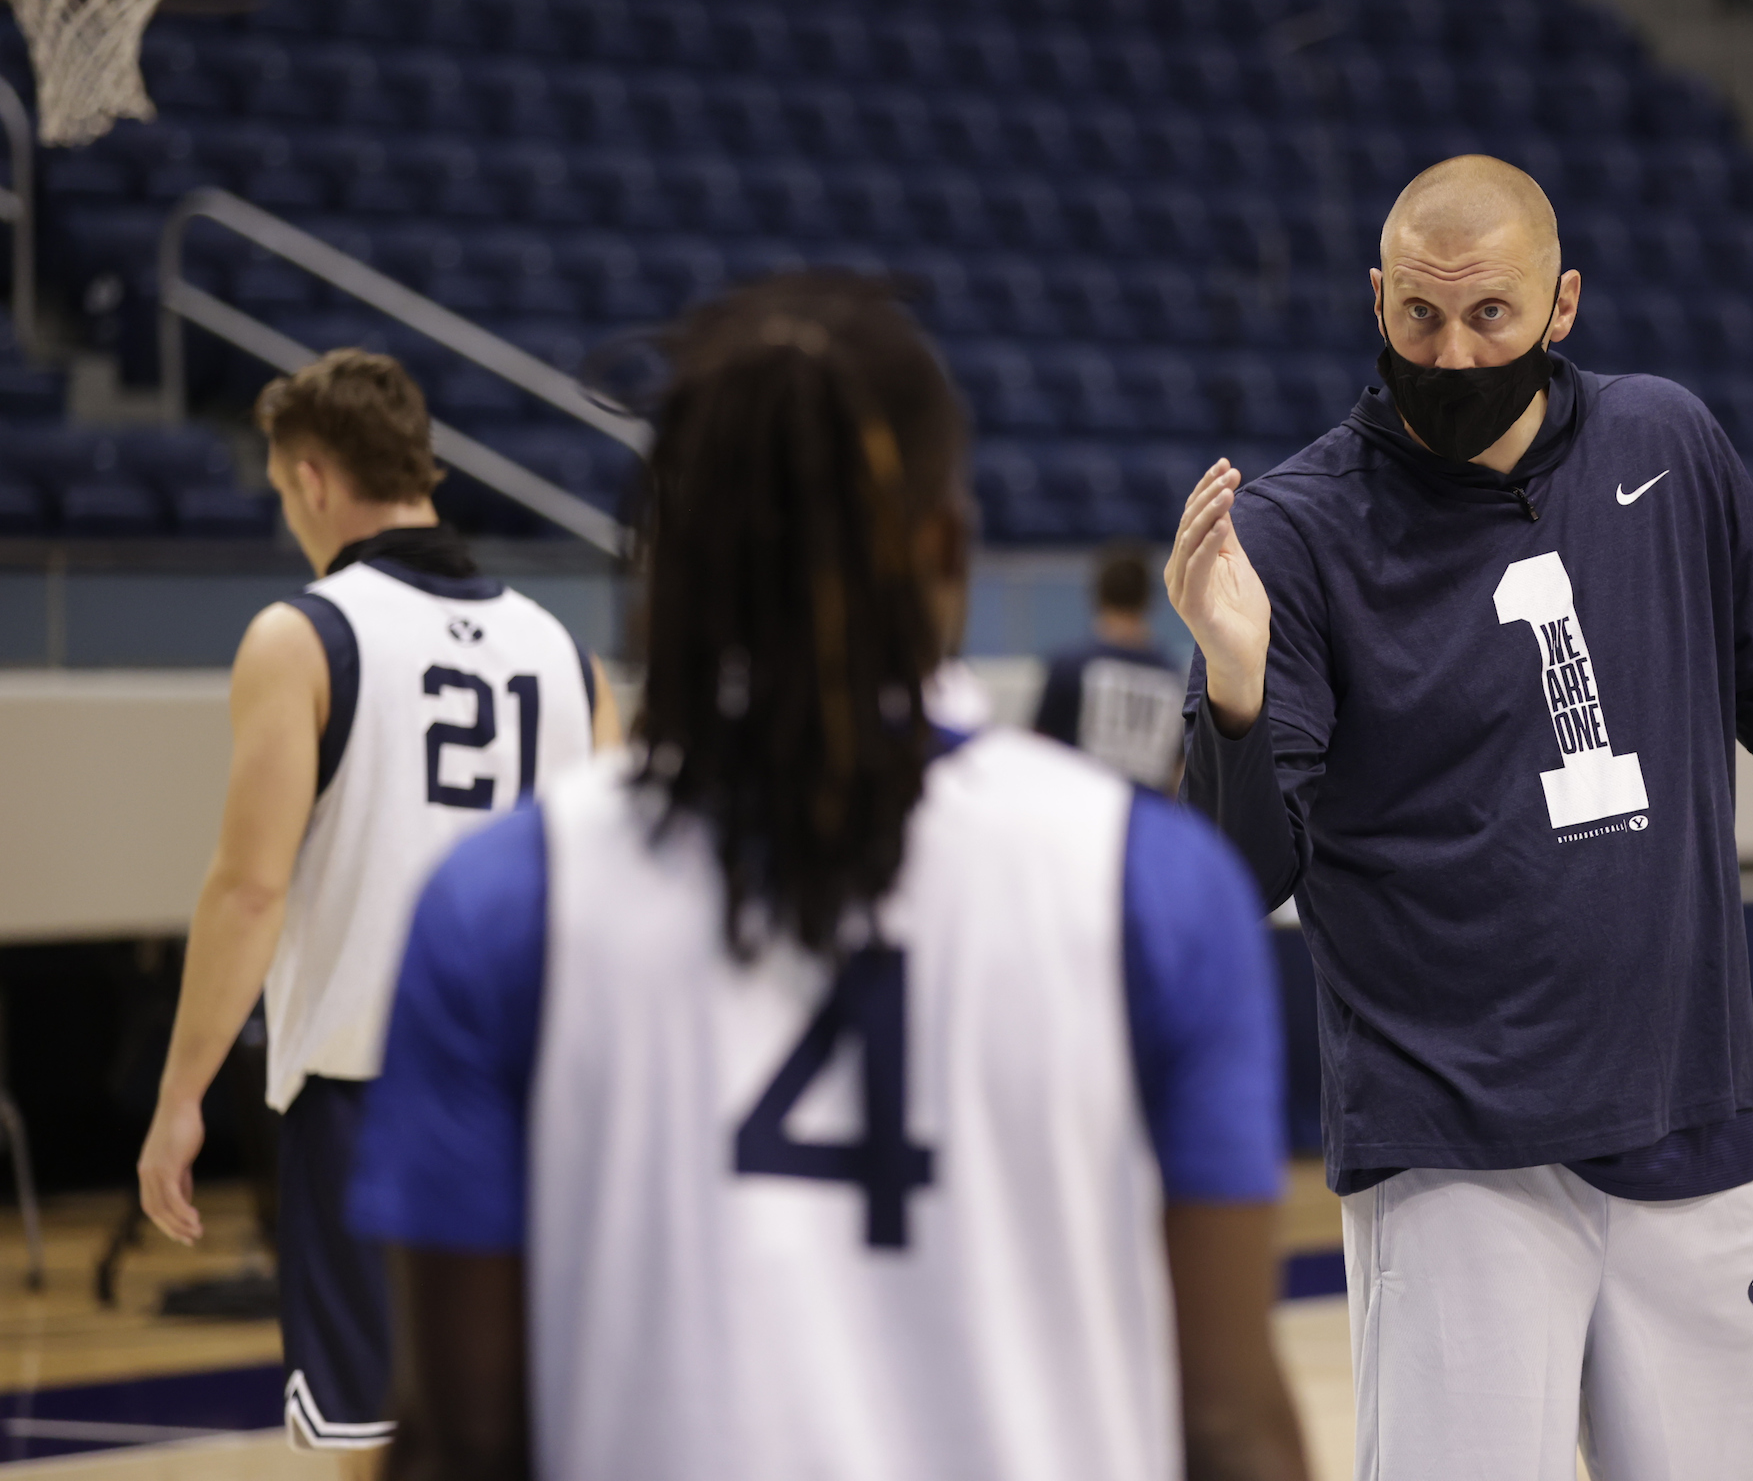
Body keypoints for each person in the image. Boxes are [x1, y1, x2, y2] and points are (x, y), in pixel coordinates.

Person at [1168, 156, 1753, 1480]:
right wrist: (1232, 683)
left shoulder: (1667, 444)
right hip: (1457, 1159)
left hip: (1691, 1124)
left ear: (1562, 306)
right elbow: (1237, 872)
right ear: (1375, 299)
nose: (1451, 353)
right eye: (1418, 319)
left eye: (1488, 315)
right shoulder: (1296, 533)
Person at [348, 274, 1310, 1481]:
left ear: (665, 563)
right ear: (950, 548)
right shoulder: (1154, 892)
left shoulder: (503, 903)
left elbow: (459, 1442)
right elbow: (1226, 1431)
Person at [133, 349, 619, 1472]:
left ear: (311, 479)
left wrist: (180, 1095)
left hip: (374, 1097)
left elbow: (250, 888)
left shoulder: (300, 635)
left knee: (379, 1441)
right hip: (541, 1091)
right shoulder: (565, 651)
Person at [1035, 538, 1188, 790]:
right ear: (1148, 599)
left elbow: (1038, 753)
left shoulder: (1070, 666)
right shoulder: (1174, 678)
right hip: (1147, 822)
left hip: (1080, 815)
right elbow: (1177, 772)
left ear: (1097, 594)